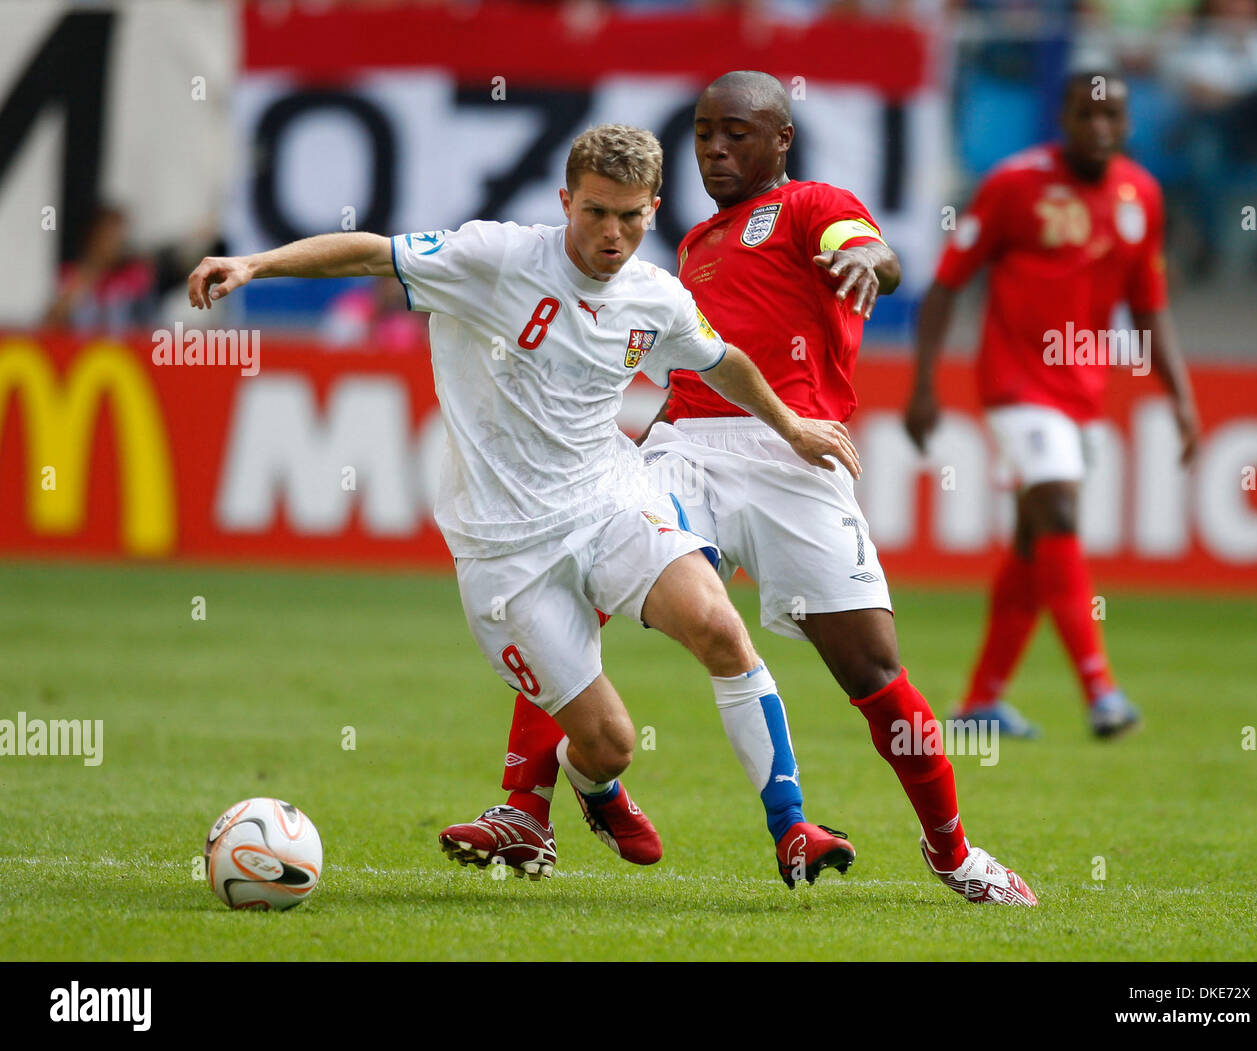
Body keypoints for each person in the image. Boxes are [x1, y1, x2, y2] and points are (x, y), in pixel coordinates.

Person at [188, 123, 860, 885]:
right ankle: (592, 783)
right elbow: (373, 250)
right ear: (565, 200)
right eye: (597, 212)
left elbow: (723, 358)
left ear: (655, 208)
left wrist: (792, 425)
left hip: (609, 503)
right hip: (506, 552)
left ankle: (792, 825)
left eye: (632, 217)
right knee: (609, 742)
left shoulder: (656, 297)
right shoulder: (495, 259)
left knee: (720, 629)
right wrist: (253, 263)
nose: (613, 235)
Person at [442, 73, 1038, 905]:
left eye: (737, 133)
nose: (716, 148)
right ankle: (525, 808)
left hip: (799, 455)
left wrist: (868, 255)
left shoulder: (808, 205)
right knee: (582, 573)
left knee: (872, 668)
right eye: (704, 133)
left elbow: (862, 244)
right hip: (686, 446)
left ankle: (954, 853)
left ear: (781, 140)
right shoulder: (686, 249)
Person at [905, 70, 1201, 739]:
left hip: (1083, 390)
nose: (1099, 128)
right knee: (1059, 507)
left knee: (1035, 540)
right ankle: (1101, 689)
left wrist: (1181, 398)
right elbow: (950, 281)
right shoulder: (1015, 183)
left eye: (1112, 116)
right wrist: (923, 383)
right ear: (1062, 117)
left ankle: (981, 701)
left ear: (1127, 125)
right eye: (1085, 114)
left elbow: (1149, 305)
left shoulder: (1141, 195)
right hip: (1016, 383)